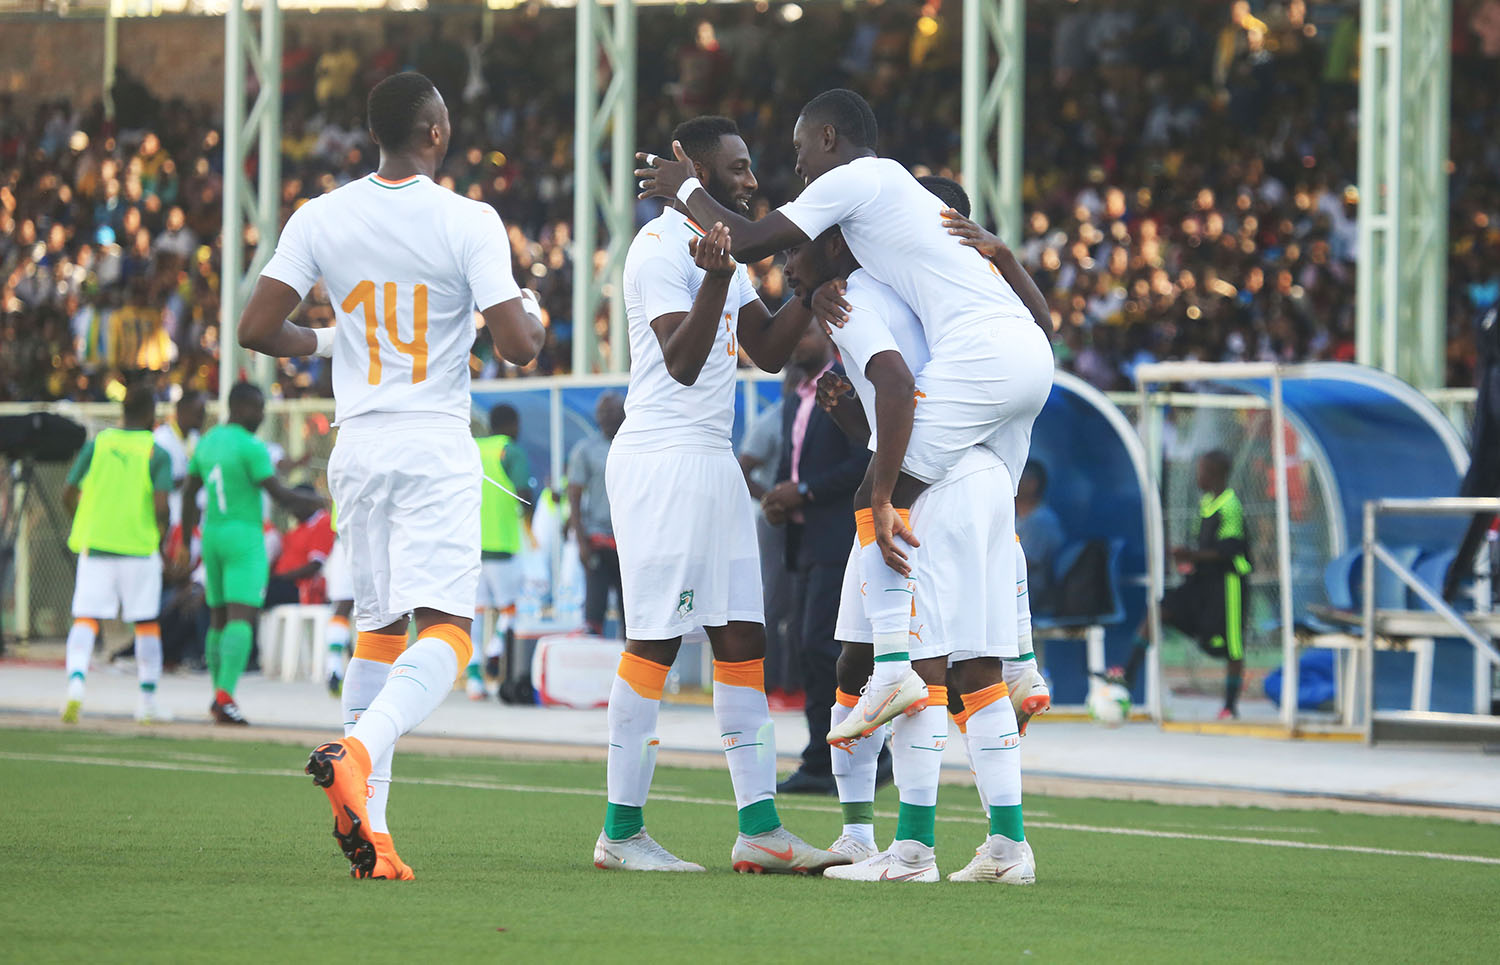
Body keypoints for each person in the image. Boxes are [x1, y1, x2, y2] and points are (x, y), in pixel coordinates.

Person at [636, 89, 1054, 744]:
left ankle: (894, 673)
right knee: (1000, 517)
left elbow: (753, 244)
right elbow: (1043, 329)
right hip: (1030, 354)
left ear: (828, 137)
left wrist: (685, 186)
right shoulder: (894, 226)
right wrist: (1002, 253)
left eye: (800, 149)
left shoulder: (855, 198)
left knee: (877, 508)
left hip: (982, 361)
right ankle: (1022, 664)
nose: (797, 168)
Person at [235, 71, 545, 880]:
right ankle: (358, 750)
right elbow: (518, 346)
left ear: (374, 134)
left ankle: (373, 835)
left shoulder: (320, 215)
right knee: (449, 631)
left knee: (376, 628)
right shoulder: (469, 219)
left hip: (359, 445)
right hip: (431, 441)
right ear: (435, 131)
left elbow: (257, 327)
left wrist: (331, 341)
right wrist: (536, 312)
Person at [596, 114, 841, 874]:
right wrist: (714, 275)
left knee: (743, 639)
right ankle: (620, 832)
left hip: (711, 458)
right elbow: (680, 361)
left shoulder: (722, 251)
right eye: (737, 169)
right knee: (656, 640)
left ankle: (760, 828)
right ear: (696, 172)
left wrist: (808, 290)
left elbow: (765, 352)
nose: (752, 181)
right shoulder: (658, 248)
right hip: (663, 457)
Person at [784, 202, 1035, 885]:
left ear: (840, 241)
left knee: (915, 670)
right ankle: (1001, 845)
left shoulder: (857, 295)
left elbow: (898, 386)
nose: (786, 263)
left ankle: (912, 852)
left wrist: (881, 494)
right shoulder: (941, 286)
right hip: (978, 476)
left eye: (794, 248)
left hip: (926, 487)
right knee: (947, 668)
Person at [764, 322, 870, 796]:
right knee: (807, 649)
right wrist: (779, 497)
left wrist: (804, 491)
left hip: (836, 537)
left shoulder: (844, 388)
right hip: (803, 539)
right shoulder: (795, 399)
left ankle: (863, 752)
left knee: (823, 646)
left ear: (827, 335)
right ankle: (821, 756)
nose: (795, 341)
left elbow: (862, 461)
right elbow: (791, 464)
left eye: (804, 333)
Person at [180, 382, 320, 726]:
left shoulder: (208, 441)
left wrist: (185, 542)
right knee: (241, 617)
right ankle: (225, 697)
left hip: (212, 535)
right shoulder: (251, 446)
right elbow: (280, 495)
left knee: (218, 618)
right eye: (258, 409)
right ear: (240, 408)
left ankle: (219, 694)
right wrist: (319, 501)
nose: (261, 416)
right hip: (244, 536)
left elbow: (188, 493)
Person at [61, 383, 174, 724]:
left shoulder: (97, 444)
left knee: (85, 617)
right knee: (146, 623)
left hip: (96, 545)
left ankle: (75, 688)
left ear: (122, 411)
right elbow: (162, 507)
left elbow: (68, 493)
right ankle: (147, 702)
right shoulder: (156, 452)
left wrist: (84, 520)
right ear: (152, 414)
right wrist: (162, 538)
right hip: (139, 548)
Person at [1126, 450, 1250, 720]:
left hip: (1228, 583)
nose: (1197, 476)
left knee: (1233, 645)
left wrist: (1191, 555)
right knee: (1160, 610)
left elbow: (1230, 549)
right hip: (1202, 581)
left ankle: (1230, 706)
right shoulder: (1207, 502)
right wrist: (1188, 559)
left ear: (1214, 474)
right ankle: (1128, 674)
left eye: (1201, 471)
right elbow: (1203, 547)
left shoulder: (1230, 505)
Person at [468, 403, 534, 700]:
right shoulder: (510, 451)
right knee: (512, 609)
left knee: (476, 614)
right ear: (513, 424)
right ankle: (495, 652)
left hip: (471, 546)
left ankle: (474, 680)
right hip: (503, 546)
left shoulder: (473, 449)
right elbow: (524, 492)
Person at [737, 393, 797, 698]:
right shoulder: (771, 421)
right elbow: (743, 468)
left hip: (807, 519)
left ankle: (794, 683)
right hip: (775, 522)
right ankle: (770, 683)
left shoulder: (815, 413)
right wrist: (772, 499)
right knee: (775, 600)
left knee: (801, 602)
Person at [568, 392, 626, 636]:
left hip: (629, 542)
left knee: (631, 615)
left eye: (612, 411)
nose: (607, 417)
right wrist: (581, 542)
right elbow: (574, 496)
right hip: (598, 540)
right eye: (602, 413)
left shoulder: (635, 445)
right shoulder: (586, 450)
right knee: (594, 613)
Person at [268, 486, 335, 605]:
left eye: (294, 503)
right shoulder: (298, 528)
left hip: (300, 587)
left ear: (308, 502)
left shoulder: (323, 522)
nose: (291, 509)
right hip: (283, 583)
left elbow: (315, 565)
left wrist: (280, 578)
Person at [1015, 462, 1064, 613]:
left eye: (1017, 477)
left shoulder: (1041, 521)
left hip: (1029, 597)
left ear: (1032, 484)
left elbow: (1023, 565)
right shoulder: (1018, 518)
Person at [322, 503, 355, 697]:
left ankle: (334, 669)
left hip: (344, 538)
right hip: (377, 536)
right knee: (385, 611)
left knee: (342, 607)